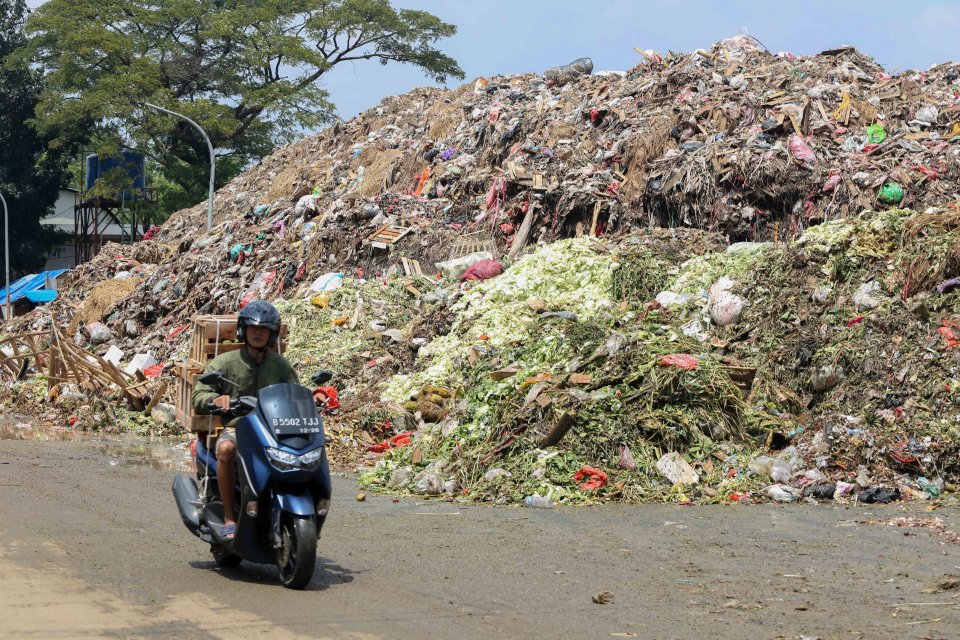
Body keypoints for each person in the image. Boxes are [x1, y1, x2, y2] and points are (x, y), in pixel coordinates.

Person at [192, 300, 298, 541]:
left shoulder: (280, 365)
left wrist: (313, 398)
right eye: (253, 328)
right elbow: (199, 394)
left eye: (264, 329)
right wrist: (217, 399)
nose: (258, 333)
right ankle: (229, 517)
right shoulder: (225, 363)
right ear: (243, 330)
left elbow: (295, 392)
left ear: (272, 334)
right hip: (239, 427)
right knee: (227, 449)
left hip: (274, 429)